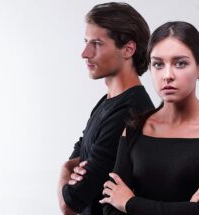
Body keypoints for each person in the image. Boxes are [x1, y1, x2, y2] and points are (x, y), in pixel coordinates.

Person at [99, 21, 199, 215]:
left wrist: (129, 203)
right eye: (158, 64)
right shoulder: (135, 128)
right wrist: (187, 208)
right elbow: (110, 208)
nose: (167, 75)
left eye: (180, 63)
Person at [57, 2, 155, 215]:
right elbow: (82, 148)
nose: (85, 53)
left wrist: (65, 169)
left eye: (97, 43)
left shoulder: (131, 111)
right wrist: (73, 166)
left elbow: (70, 203)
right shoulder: (108, 101)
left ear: (128, 49)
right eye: (86, 42)